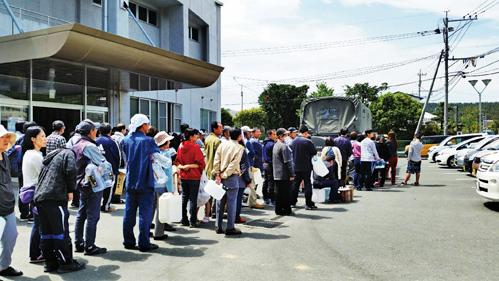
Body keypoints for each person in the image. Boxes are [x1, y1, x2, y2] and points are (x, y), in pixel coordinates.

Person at [34, 146, 85, 273]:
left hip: (40, 197)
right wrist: (70, 190)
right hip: (55, 196)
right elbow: (71, 170)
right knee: (60, 232)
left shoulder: (49, 157)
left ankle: (50, 262)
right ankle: (66, 262)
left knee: (46, 232)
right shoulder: (68, 154)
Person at [122, 114, 160, 252]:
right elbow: (157, 157)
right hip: (145, 180)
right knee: (145, 213)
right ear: (143, 125)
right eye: (147, 124)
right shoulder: (149, 140)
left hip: (131, 179)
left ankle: (128, 240)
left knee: (129, 212)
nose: (148, 126)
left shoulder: (126, 140)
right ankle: (144, 243)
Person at [72, 120, 108, 255]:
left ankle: (79, 243)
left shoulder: (75, 143)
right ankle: (90, 245)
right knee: (93, 215)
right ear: (91, 131)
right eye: (95, 130)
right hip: (92, 183)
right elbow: (103, 163)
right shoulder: (89, 146)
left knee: (81, 214)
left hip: (80, 182)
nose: (96, 132)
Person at [0, 125, 23, 277]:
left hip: (7, 204)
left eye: (8, 138)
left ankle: (3, 266)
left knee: (11, 236)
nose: (7, 140)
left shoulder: (6, 156)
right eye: (3, 137)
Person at [212, 127, 244, 235]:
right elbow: (234, 164)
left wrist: (217, 174)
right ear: (239, 136)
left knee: (220, 201)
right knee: (231, 203)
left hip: (220, 176)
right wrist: (224, 175)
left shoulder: (222, 144)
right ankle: (230, 227)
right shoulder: (239, 148)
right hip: (231, 177)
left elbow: (216, 160)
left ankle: (218, 225)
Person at [22, 126, 47, 264]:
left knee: (39, 224)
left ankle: (37, 253)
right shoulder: (35, 156)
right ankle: (36, 254)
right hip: (38, 193)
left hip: (34, 193)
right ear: (33, 139)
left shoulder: (31, 153)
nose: (45, 139)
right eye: (42, 136)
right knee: (39, 225)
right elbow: (45, 174)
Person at [176, 128, 206, 228]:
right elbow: (201, 163)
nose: (197, 137)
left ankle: (184, 219)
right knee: (193, 198)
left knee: (184, 198)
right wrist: (189, 166)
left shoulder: (180, 146)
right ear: (191, 136)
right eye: (196, 135)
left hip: (184, 175)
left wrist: (184, 167)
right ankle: (193, 220)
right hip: (194, 175)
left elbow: (177, 161)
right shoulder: (195, 147)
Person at [152, 132, 175, 240]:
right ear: (165, 143)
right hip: (162, 185)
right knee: (161, 210)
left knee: (151, 209)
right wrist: (171, 189)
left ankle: (147, 230)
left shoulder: (152, 154)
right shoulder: (166, 155)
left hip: (152, 185)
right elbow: (169, 174)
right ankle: (158, 233)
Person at [290, 125, 318, 210]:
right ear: (306, 133)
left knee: (295, 184)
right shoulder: (307, 142)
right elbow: (314, 152)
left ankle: (292, 202)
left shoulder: (293, 141)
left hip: (296, 166)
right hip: (306, 166)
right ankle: (308, 203)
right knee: (307, 184)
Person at [16, 121, 38, 222]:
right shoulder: (33, 140)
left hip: (21, 168)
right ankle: (32, 214)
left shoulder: (19, 139)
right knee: (33, 189)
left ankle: (23, 214)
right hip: (31, 168)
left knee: (23, 190)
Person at [95, 123, 120, 212]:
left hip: (97, 168)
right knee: (109, 187)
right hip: (109, 168)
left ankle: (97, 204)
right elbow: (117, 156)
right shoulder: (112, 142)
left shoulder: (95, 141)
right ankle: (106, 205)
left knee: (97, 185)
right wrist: (116, 168)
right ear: (110, 132)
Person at [203, 121, 223, 221]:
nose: (222, 129)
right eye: (220, 127)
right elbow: (220, 157)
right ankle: (215, 212)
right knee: (216, 191)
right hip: (215, 169)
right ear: (215, 129)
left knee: (209, 191)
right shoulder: (218, 141)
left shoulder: (207, 139)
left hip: (208, 167)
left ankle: (207, 212)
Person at [273, 128, 295, 216]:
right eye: (285, 135)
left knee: (279, 193)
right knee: (286, 193)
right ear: (281, 136)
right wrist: (291, 173)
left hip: (277, 173)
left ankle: (278, 209)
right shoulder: (284, 146)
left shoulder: (276, 145)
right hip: (284, 173)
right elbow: (287, 162)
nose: (286, 136)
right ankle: (286, 210)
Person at [235, 141, 252, 223]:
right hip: (239, 177)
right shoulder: (241, 149)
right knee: (238, 198)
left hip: (225, 176)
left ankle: (219, 222)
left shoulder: (223, 146)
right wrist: (248, 180)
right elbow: (245, 167)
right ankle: (236, 217)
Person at [262, 129, 277, 205]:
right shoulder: (271, 144)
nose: (275, 136)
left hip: (265, 163)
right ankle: (272, 199)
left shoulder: (264, 143)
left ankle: (265, 197)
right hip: (270, 164)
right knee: (271, 182)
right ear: (269, 135)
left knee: (266, 181)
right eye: (273, 134)